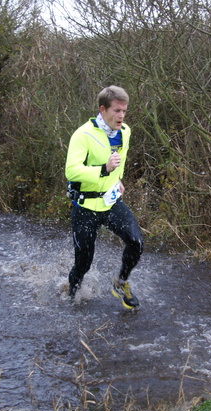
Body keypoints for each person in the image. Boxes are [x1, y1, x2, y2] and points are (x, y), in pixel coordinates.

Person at [65, 86, 144, 309]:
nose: (121, 116)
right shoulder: (83, 135)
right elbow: (71, 171)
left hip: (110, 203)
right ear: (103, 109)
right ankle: (71, 296)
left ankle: (120, 283)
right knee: (83, 263)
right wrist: (104, 169)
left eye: (124, 111)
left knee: (136, 242)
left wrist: (117, 178)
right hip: (85, 207)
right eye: (117, 111)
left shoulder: (125, 131)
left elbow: (121, 159)